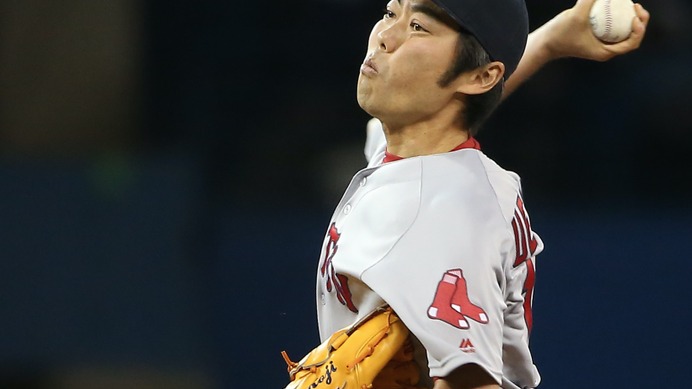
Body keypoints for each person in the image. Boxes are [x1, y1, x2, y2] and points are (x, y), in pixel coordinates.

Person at [314, 0, 649, 388]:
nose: (385, 37)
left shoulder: (447, 217)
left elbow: (471, 382)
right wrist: (548, 43)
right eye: (391, 13)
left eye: (419, 26)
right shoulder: (417, 160)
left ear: (480, 78)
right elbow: (450, 110)